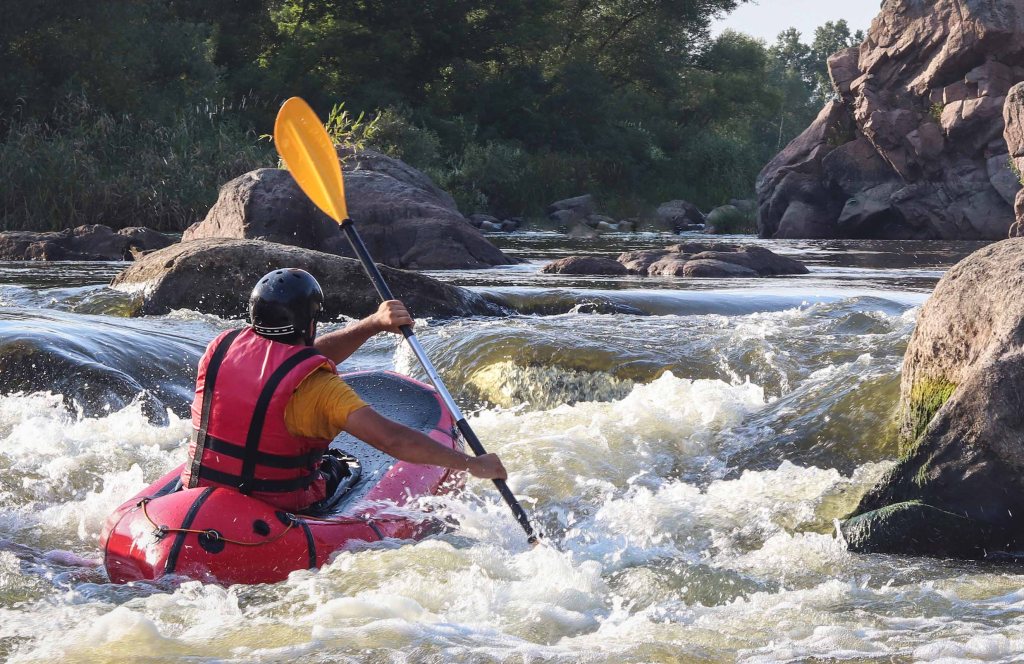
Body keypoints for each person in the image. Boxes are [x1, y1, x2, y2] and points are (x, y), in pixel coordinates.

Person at [180, 267, 507, 513]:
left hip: (200, 494)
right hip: (275, 509)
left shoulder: (219, 349)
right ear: (309, 325)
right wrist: (471, 464)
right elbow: (392, 440)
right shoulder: (322, 390)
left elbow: (293, 361)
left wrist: (372, 324)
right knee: (343, 465)